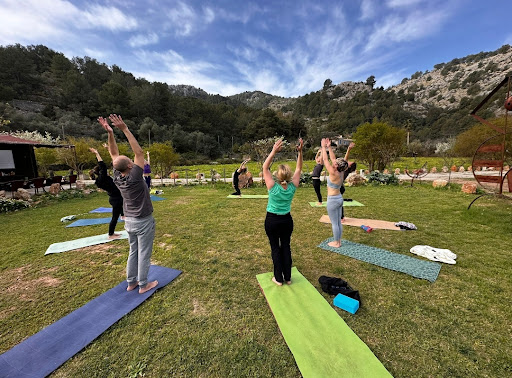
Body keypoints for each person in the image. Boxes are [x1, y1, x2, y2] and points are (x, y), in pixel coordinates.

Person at [98, 114, 158, 294]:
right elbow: (139, 152)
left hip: (129, 221)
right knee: (144, 253)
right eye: (131, 160)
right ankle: (143, 285)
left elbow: (113, 154)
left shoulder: (117, 175)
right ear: (131, 166)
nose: (134, 160)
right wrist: (124, 129)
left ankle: (131, 282)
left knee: (133, 251)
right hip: (143, 221)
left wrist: (110, 133)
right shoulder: (135, 178)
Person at [263, 138, 303, 286]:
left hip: (272, 221)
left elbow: (265, 167)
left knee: (275, 248)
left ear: (278, 176)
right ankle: (287, 277)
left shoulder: (272, 186)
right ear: (288, 176)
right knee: (285, 246)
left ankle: (278, 279)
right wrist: (300, 152)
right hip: (287, 221)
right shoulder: (293, 186)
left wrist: (273, 151)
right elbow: (299, 169)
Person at [89, 147, 124, 240]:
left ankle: (122, 217)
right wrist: (97, 153)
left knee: (118, 213)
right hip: (116, 198)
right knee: (114, 217)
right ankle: (111, 234)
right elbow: (102, 165)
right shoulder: (102, 178)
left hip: (114, 197)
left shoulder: (98, 181)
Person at [321, 138, 349, 248]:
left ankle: (336, 243)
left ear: (337, 166)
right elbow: (332, 158)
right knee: (337, 222)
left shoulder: (333, 172)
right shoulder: (341, 172)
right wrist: (329, 147)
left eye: (336, 163)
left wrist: (323, 147)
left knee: (334, 223)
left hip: (332, 200)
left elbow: (325, 159)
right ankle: (339, 240)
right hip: (338, 198)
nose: (334, 162)